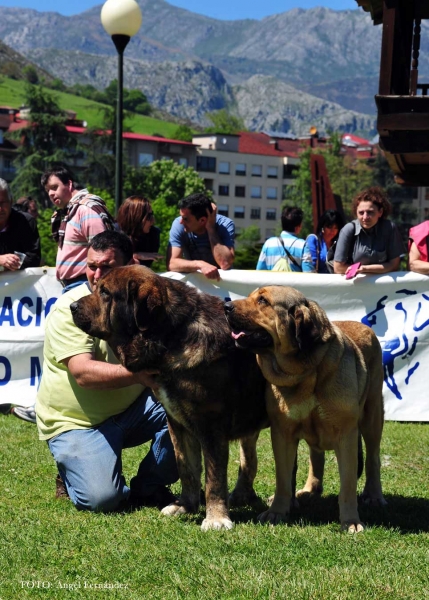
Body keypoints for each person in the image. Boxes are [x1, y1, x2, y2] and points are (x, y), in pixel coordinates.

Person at [35, 230, 178, 512]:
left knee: (191, 408)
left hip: (132, 410)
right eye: (91, 265)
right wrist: (138, 375)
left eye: (107, 267)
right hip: (76, 423)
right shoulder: (71, 308)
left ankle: (149, 486)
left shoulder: (143, 305)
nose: (96, 275)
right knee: (104, 499)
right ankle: (72, 473)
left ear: (131, 265)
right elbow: (83, 373)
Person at [41, 165, 116, 292]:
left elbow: (102, 252)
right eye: (48, 190)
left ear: (69, 184)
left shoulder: (86, 210)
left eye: (54, 187)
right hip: (75, 286)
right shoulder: (71, 210)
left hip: (85, 285)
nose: (51, 194)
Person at [334, 187, 404, 276]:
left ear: (380, 212)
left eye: (370, 212)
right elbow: (338, 268)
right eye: (361, 213)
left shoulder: (389, 228)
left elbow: (394, 265)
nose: (365, 217)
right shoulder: (348, 230)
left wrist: (365, 269)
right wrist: (361, 270)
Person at [167, 192, 235, 281]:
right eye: (181, 217)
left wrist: (211, 228)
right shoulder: (178, 224)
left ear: (202, 220)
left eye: (186, 219)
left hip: (221, 284)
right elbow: (171, 263)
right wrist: (200, 264)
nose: (181, 222)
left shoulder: (225, 224)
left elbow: (225, 263)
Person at [256, 206, 314, 272]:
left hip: (273, 282)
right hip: (293, 282)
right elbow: (308, 274)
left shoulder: (268, 244)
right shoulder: (303, 245)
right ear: (297, 227)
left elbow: (259, 272)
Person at [0, 178, 41, 271]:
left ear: (11, 201)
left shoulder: (26, 222)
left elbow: (34, 258)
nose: (0, 209)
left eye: (2, 203)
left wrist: (12, 262)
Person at [116, 195, 162, 268]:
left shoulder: (153, 234)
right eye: (149, 216)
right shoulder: (114, 234)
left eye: (152, 215)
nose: (153, 221)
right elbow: (111, 264)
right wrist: (136, 255)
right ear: (136, 217)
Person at [306, 209, 345, 273]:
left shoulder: (339, 243)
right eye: (329, 227)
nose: (333, 230)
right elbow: (311, 265)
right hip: (318, 281)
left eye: (336, 227)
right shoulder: (313, 240)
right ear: (322, 226)